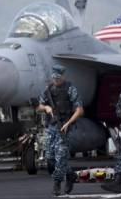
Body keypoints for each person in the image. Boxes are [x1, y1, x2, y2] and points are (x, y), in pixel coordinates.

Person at [37, 64, 84, 196]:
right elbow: (39, 106)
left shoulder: (70, 89)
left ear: (63, 76)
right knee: (50, 159)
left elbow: (80, 110)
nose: (56, 80)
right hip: (51, 127)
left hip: (64, 128)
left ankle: (57, 184)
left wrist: (69, 122)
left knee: (61, 157)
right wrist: (46, 108)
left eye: (58, 78)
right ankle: (70, 175)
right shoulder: (48, 89)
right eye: (54, 78)